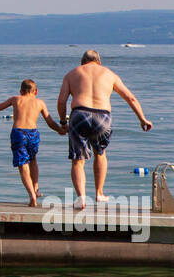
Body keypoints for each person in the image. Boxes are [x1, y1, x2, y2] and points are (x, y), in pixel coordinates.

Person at [56, 50, 153, 209]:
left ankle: (81, 198)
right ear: (99, 62)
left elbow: (61, 102)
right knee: (100, 153)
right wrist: (142, 118)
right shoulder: (110, 74)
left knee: (78, 160)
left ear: (82, 62)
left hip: (80, 114)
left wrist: (62, 121)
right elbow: (131, 98)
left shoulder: (72, 73)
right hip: (103, 116)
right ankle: (99, 194)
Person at [0, 79, 66, 206]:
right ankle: (35, 188)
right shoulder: (40, 102)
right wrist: (60, 130)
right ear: (36, 92)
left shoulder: (15, 99)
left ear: (21, 91)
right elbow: (50, 122)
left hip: (19, 133)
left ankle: (32, 196)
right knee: (33, 160)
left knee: (23, 165)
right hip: (33, 133)